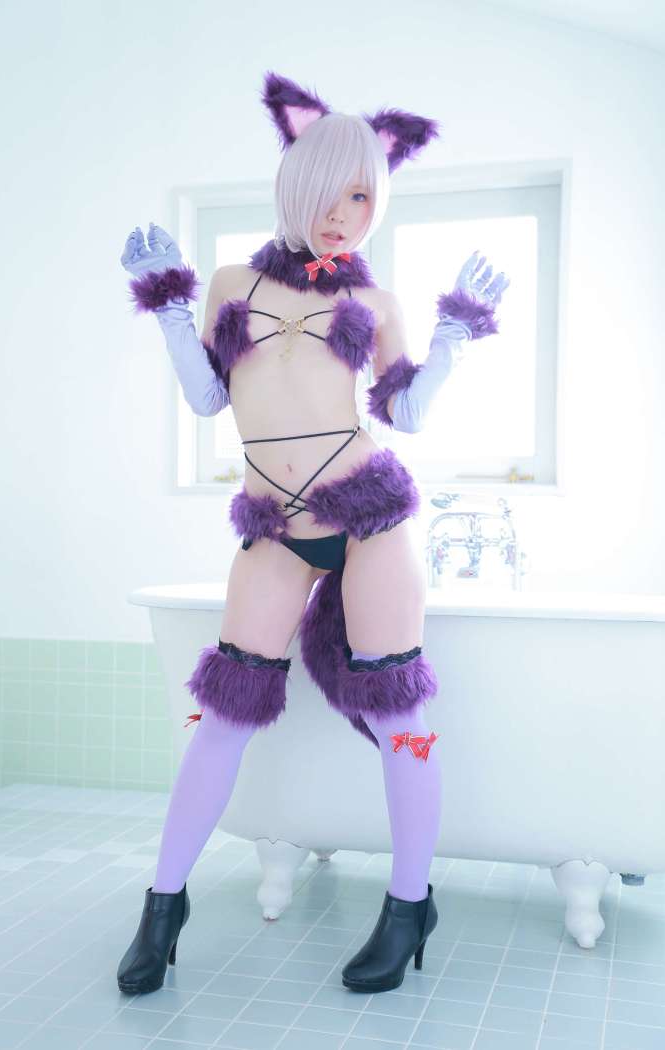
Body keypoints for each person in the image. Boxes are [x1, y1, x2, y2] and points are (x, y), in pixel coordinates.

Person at [117, 70, 510, 997]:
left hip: (368, 518)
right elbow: (208, 397)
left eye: (364, 197)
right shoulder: (233, 283)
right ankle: (162, 907)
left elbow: (404, 413)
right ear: (295, 181)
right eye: (332, 192)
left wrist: (455, 334)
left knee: (401, 718)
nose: (345, 215)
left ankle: (409, 906)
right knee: (220, 718)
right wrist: (167, 308)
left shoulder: (374, 302)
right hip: (275, 525)